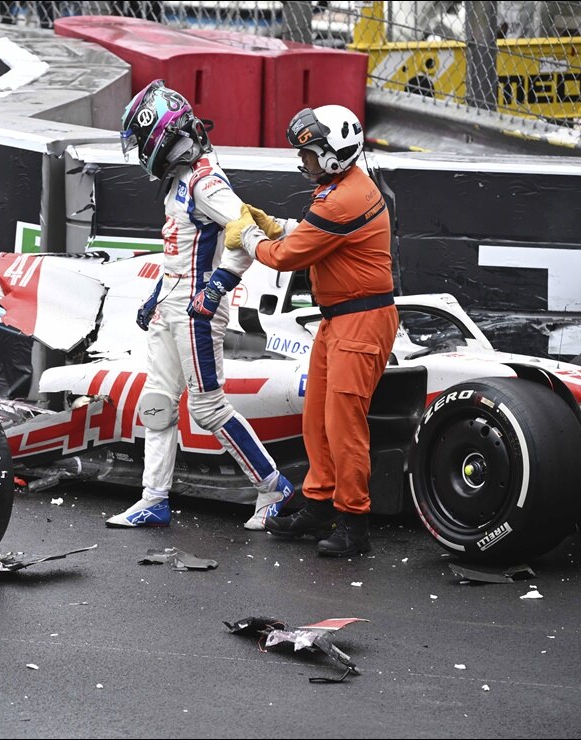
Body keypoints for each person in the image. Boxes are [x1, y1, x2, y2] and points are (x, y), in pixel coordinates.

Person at [106, 79, 295, 530]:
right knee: (157, 401)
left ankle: (274, 487)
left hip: (195, 311)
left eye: (142, 141)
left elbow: (246, 233)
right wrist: (155, 296)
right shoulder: (184, 177)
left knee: (207, 408)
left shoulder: (206, 182)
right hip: (173, 304)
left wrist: (216, 289)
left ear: (161, 136)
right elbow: (180, 250)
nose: (140, 153)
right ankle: (153, 499)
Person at [224, 104, 398, 557]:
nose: (303, 161)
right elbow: (312, 233)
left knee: (343, 427)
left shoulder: (342, 198)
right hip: (341, 319)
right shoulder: (342, 188)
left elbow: (285, 257)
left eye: (309, 153)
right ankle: (320, 505)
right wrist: (273, 225)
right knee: (317, 418)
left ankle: (354, 524)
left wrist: (249, 235)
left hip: (360, 322)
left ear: (334, 154)